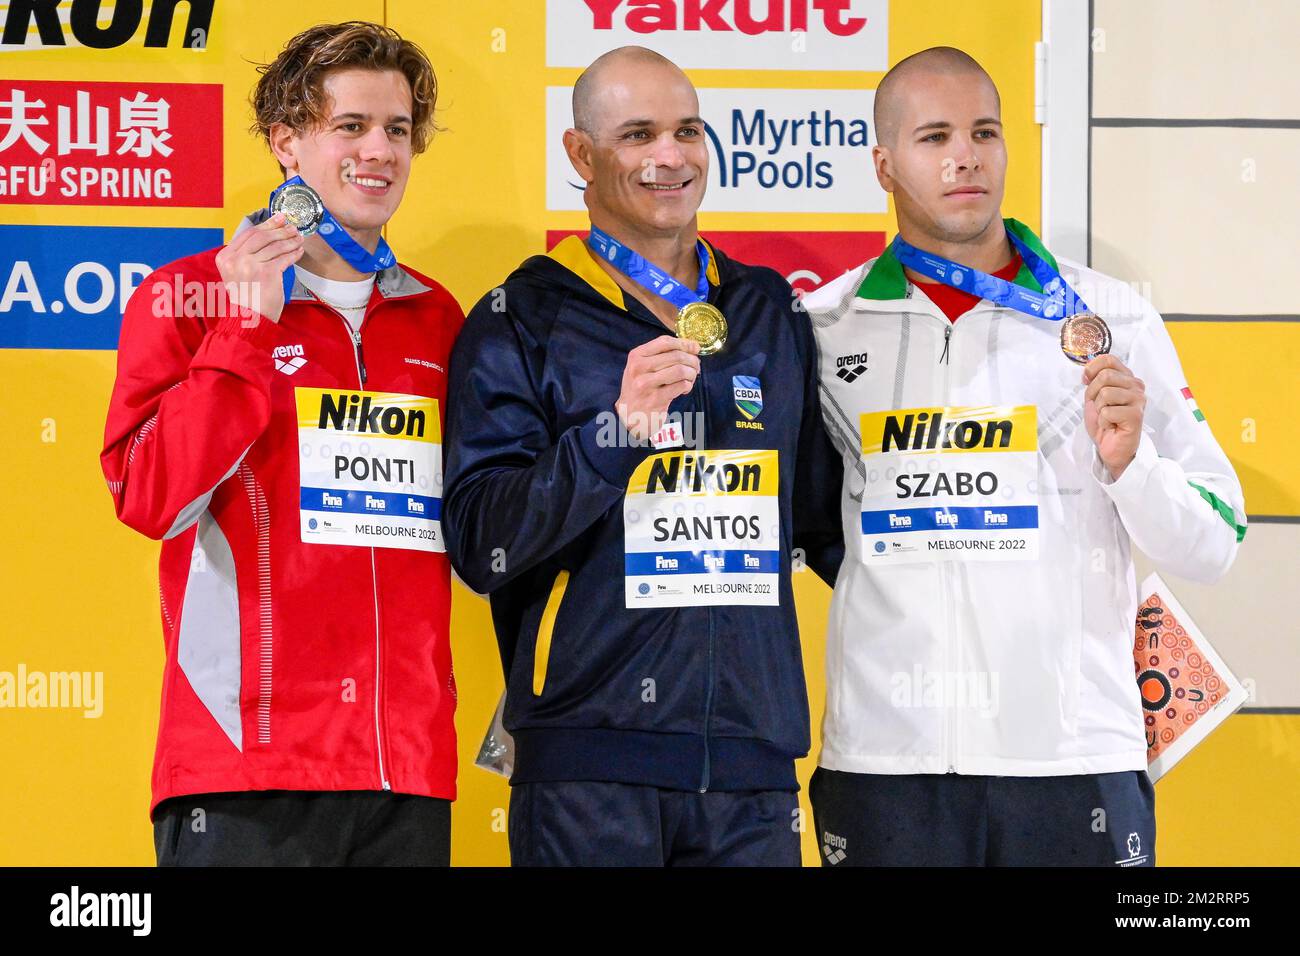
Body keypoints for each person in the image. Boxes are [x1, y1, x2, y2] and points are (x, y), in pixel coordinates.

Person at [801, 46, 1247, 866]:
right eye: (934, 137)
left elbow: (1216, 540)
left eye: (985, 132)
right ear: (884, 163)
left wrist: (1132, 467)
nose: (965, 155)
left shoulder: (1109, 319)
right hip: (885, 764)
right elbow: (813, 523)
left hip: (1075, 764)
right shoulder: (824, 328)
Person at [442, 46, 842, 867]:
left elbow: (826, 522)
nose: (671, 156)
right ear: (581, 156)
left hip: (751, 766)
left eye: (687, 130)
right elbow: (482, 540)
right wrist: (612, 437)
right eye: (638, 135)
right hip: (589, 768)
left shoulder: (767, 309)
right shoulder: (521, 315)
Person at [100, 21, 464, 866]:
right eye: (352, 126)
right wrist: (245, 328)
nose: (380, 151)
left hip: (402, 768)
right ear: (286, 143)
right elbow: (151, 497)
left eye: (398, 130)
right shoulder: (187, 296)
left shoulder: (440, 318)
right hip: (244, 764)